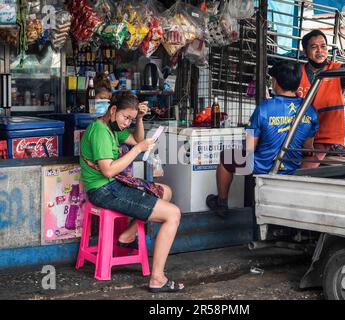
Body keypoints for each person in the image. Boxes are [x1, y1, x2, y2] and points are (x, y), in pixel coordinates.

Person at [80, 90, 184, 293]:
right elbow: (109, 169)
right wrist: (137, 150)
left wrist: (140, 119)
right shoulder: (100, 131)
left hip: (112, 185)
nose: (127, 122)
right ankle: (157, 278)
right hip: (104, 190)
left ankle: (127, 235)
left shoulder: (112, 127)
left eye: (130, 118)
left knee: (166, 191)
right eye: (125, 117)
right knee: (173, 214)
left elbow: (138, 141)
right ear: (113, 110)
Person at [206, 61, 319, 216]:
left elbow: (250, 148)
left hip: (263, 167)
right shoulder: (310, 110)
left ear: (276, 82)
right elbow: (308, 147)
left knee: (227, 158)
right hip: (291, 168)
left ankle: (221, 203)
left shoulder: (264, 108)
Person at [297, 30, 345, 168]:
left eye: (323, 46)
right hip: (301, 139)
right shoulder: (297, 73)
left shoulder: (339, 70)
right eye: (314, 47)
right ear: (305, 52)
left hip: (330, 140)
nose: (320, 51)